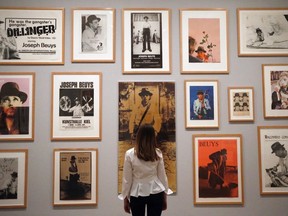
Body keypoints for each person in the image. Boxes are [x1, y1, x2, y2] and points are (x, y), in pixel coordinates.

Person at [119, 124, 171, 216]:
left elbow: (127, 180)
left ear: (138, 136)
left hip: (136, 193)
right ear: (153, 137)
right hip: (156, 191)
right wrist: (165, 197)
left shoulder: (129, 154)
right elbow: (162, 176)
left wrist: (125, 199)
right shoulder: (157, 153)